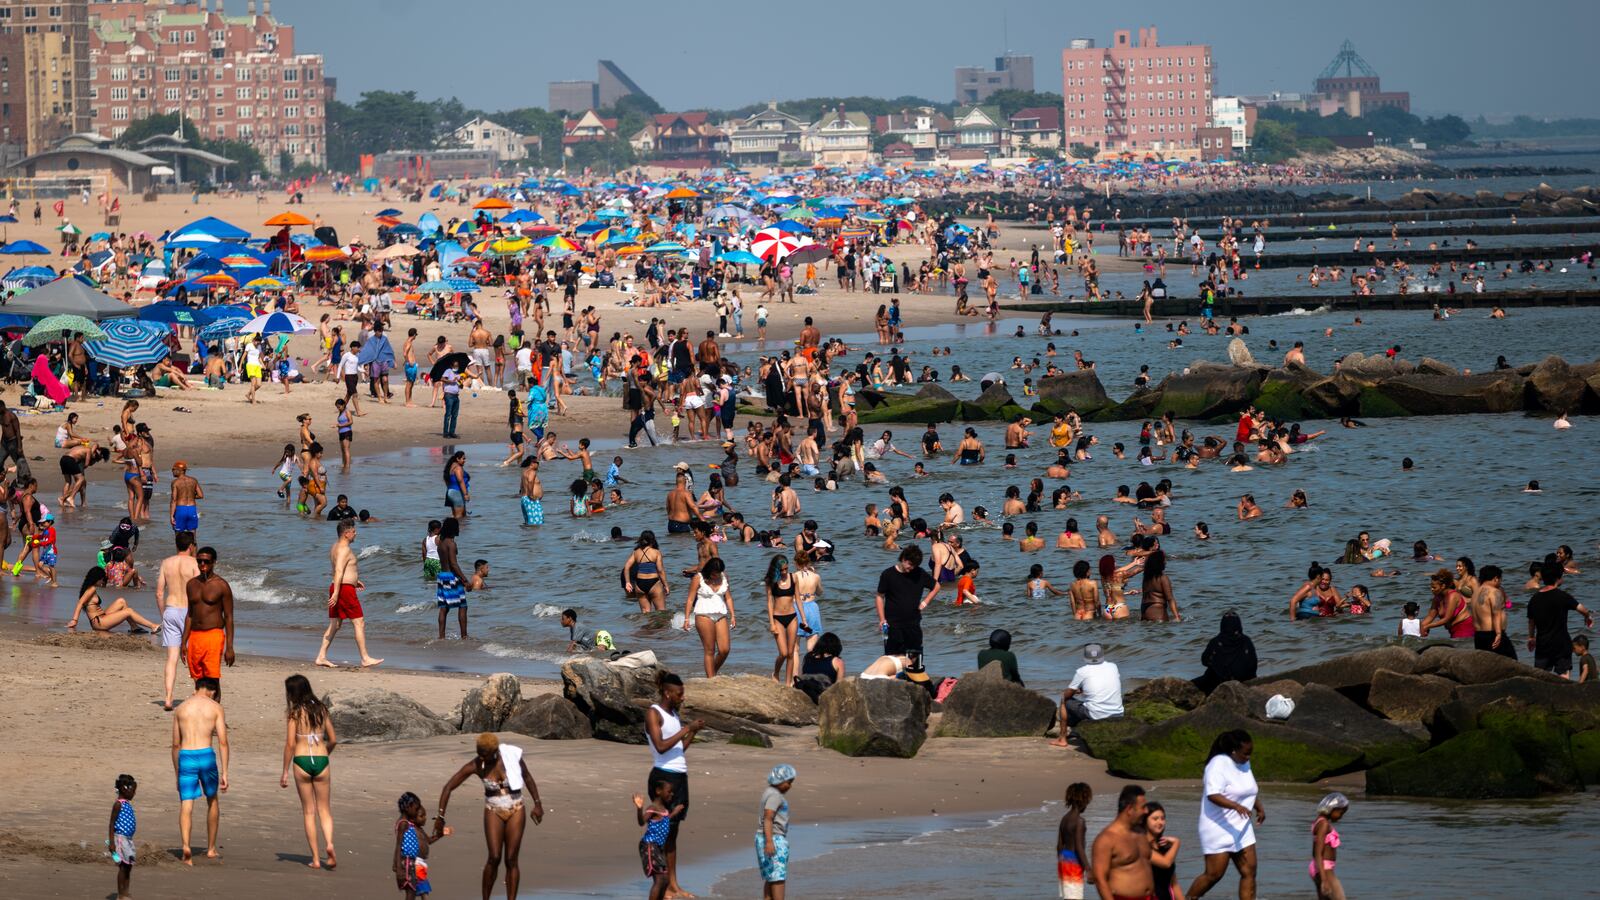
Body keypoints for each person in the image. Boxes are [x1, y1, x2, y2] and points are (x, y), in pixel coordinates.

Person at [435, 733, 545, 900]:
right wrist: (440, 816)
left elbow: (527, 777)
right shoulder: (476, 764)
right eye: (479, 754)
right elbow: (448, 786)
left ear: (495, 752)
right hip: (493, 808)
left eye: (485, 755)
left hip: (516, 806)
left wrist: (538, 804)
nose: (482, 758)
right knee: (494, 857)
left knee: (511, 859)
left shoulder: (510, 757)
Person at [645, 673, 705, 900]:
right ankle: (662, 885)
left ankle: (673, 884)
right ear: (668, 693)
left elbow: (678, 749)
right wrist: (686, 729)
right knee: (660, 832)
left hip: (680, 775)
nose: (683, 697)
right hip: (662, 777)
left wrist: (691, 733)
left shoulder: (674, 714)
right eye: (679, 694)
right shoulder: (654, 713)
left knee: (673, 833)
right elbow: (660, 747)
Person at [1188, 729, 1264, 900]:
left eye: (1251, 753)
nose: (1249, 757)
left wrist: (1258, 806)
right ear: (1233, 751)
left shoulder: (1244, 762)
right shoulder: (1217, 764)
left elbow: (1247, 789)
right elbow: (1212, 794)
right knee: (1214, 875)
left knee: (1249, 871)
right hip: (1217, 826)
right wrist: (1236, 806)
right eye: (1246, 753)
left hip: (1242, 826)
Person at [281, 674, 338, 869]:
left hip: (302, 760)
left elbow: (290, 744)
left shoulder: (295, 713)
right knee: (325, 810)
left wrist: (285, 771)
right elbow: (333, 739)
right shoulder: (322, 709)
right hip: (321, 760)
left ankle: (315, 858)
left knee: (308, 811)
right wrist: (325, 755)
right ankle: (329, 845)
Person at [172, 676, 228, 865]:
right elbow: (222, 742)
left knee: (186, 803)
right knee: (212, 800)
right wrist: (226, 772)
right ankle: (211, 848)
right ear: (211, 690)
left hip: (186, 756)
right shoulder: (215, 707)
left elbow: (175, 744)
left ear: (196, 687)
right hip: (206, 756)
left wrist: (176, 771)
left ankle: (186, 846)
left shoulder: (181, 709)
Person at [316, 518, 382, 668]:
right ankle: (365, 658)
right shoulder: (344, 549)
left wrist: (354, 581)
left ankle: (321, 656)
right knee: (359, 622)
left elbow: (340, 569)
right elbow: (339, 570)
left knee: (335, 624)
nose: (355, 533)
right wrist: (338, 592)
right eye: (353, 531)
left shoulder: (335, 547)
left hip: (339, 586)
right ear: (346, 533)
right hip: (343, 590)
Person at [178, 547, 235, 689]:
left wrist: (229, 647)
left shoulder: (222, 586)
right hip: (195, 636)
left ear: (214, 562)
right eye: (199, 561)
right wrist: (183, 642)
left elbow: (228, 617)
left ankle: (214, 710)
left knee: (212, 680)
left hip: (213, 635)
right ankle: (202, 709)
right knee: (198, 679)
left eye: (206, 561)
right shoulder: (191, 584)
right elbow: (190, 614)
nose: (202, 564)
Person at [157, 533, 201, 709]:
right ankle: (199, 692)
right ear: (191, 546)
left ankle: (168, 698)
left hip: (171, 609)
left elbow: (159, 593)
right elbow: (200, 590)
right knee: (193, 656)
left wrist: (163, 615)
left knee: (172, 658)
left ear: (176, 545)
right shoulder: (195, 563)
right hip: (189, 612)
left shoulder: (166, 563)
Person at [1528, 561, 1592, 676]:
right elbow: (1582, 609)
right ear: (1558, 578)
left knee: (1541, 677)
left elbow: (1531, 621)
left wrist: (1531, 637)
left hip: (1543, 644)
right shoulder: (1563, 596)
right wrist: (1588, 617)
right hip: (1561, 644)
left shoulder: (1534, 599)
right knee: (1563, 677)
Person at [1090, 785, 1154, 900]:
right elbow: (1100, 880)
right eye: (1143, 807)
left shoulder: (1141, 833)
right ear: (1129, 809)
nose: (1146, 811)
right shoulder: (1106, 839)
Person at [1053, 643, 1122, 746]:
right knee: (1086, 703)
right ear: (1102, 655)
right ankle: (1077, 730)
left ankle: (1062, 738)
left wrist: (1076, 691)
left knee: (1064, 700)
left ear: (1085, 656)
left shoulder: (1082, 672)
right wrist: (1083, 689)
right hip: (1117, 713)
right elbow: (1103, 683)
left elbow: (1067, 694)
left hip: (1097, 714)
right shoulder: (1113, 666)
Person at [875, 545, 939, 657]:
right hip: (892, 624)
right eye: (910, 564)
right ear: (903, 559)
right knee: (893, 659)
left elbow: (936, 586)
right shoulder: (888, 574)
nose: (912, 568)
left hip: (913, 623)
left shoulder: (919, 573)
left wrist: (925, 602)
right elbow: (880, 597)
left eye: (915, 565)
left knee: (915, 658)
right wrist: (882, 619)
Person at [67, 566, 161, 634]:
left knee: (121, 601)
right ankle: (153, 626)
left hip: (101, 617)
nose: (103, 581)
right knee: (128, 611)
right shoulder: (91, 589)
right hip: (99, 623)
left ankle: (134, 627)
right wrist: (74, 620)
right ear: (97, 579)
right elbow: (80, 603)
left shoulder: (90, 588)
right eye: (102, 579)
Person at [633, 779, 684, 900]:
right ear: (658, 791)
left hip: (658, 848)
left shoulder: (664, 809)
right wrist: (639, 809)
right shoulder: (653, 808)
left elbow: (665, 820)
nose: (671, 794)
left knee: (666, 880)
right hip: (649, 846)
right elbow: (641, 822)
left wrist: (675, 812)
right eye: (669, 792)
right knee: (660, 880)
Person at [684, 556, 735, 677]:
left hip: (720, 615)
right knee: (710, 650)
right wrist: (686, 618)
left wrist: (733, 615)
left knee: (724, 650)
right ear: (709, 571)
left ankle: (712, 673)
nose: (716, 576)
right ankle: (711, 678)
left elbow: (728, 597)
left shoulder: (724, 577)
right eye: (714, 574)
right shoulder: (698, 578)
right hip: (703, 615)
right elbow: (690, 599)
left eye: (718, 573)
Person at [394, 792, 448, 900]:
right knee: (414, 890)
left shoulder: (417, 828)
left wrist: (441, 834)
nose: (425, 818)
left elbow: (429, 841)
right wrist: (397, 867)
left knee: (415, 890)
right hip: (409, 862)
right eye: (420, 815)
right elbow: (398, 845)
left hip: (415, 863)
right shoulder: (405, 824)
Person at [756, 764, 797, 900]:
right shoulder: (775, 796)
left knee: (771, 876)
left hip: (764, 837)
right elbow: (768, 818)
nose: (790, 786)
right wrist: (769, 842)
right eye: (788, 782)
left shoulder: (768, 792)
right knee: (778, 878)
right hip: (773, 838)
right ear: (779, 780)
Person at [1193, 611, 1257, 694]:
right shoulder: (1246, 641)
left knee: (1193, 685)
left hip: (1217, 683)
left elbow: (1204, 661)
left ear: (1222, 625)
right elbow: (1253, 664)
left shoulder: (1216, 642)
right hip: (1244, 681)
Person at [1309, 792, 1349, 900]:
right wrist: (1324, 879)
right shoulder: (1324, 824)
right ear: (1333, 808)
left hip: (1319, 867)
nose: (1341, 817)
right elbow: (1318, 853)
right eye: (1341, 813)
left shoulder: (1319, 821)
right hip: (1324, 869)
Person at [435, 517, 470, 639]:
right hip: (451, 577)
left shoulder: (441, 543)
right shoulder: (451, 544)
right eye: (458, 527)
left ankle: (441, 636)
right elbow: (454, 564)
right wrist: (465, 580)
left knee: (443, 608)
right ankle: (464, 636)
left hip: (442, 577)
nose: (459, 528)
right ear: (454, 529)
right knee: (463, 606)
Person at [1055, 782, 1091, 900]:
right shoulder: (1079, 821)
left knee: (1068, 897)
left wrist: (1061, 864)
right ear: (1083, 801)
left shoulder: (1064, 819)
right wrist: (1088, 869)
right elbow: (1079, 847)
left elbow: (1059, 846)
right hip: (1074, 862)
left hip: (1064, 860)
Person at [108, 774, 139, 898]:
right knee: (123, 866)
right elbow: (111, 824)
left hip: (128, 839)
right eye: (133, 791)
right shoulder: (118, 804)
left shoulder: (127, 803)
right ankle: (121, 894)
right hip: (120, 839)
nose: (134, 794)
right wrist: (111, 842)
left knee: (128, 866)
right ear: (124, 789)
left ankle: (125, 892)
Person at [1146, 800, 1183, 900]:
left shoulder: (1165, 847)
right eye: (1155, 819)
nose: (1160, 822)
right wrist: (1177, 843)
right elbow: (1166, 863)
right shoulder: (1140, 846)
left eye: (1162, 818)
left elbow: (1174, 883)